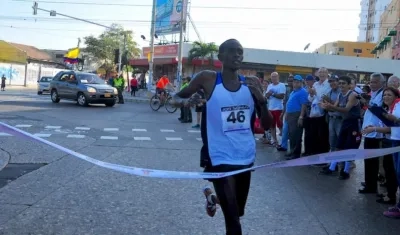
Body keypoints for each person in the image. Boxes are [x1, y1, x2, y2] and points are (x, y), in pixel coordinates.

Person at [171, 39, 272, 235]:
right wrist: (186, 103)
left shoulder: (251, 84)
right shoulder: (208, 79)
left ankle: (212, 198)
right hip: (219, 156)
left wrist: (262, 101)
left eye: (240, 52)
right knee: (233, 219)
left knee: (237, 210)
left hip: (245, 156)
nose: (237, 55)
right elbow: (176, 97)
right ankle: (219, 201)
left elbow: (267, 125)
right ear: (221, 57)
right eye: (232, 51)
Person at [319, 75, 362, 180]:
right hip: (345, 122)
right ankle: (332, 168)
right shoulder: (340, 94)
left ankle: (345, 171)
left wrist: (330, 106)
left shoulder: (352, 95)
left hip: (354, 123)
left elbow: (346, 109)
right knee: (339, 145)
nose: (341, 85)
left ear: (349, 85)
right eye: (340, 83)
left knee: (349, 148)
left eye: (344, 83)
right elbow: (335, 109)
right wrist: (326, 107)